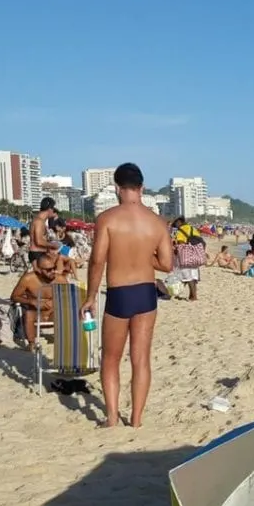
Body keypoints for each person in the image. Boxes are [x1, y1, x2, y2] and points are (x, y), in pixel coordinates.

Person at [81, 162, 173, 428]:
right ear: (142, 188)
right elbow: (167, 265)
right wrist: (147, 257)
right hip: (146, 293)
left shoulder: (108, 219)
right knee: (141, 359)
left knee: (110, 358)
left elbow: (97, 261)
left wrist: (91, 296)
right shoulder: (157, 222)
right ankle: (136, 420)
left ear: (117, 188)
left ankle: (111, 418)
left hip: (119, 294)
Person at [9, 254, 57, 350]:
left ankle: (62, 340)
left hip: (53, 312)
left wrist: (56, 301)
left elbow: (69, 297)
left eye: (54, 268)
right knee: (29, 314)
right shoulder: (28, 279)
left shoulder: (59, 279)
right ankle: (31, 343)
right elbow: (14, 297)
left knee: (65, 313)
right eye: (48, 270)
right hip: (36, 313)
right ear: (38, 270)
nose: (52, 271)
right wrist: (31, 301)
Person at [171, 216, 204, 301]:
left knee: (187, 276)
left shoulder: (181, 230)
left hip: (186, 255)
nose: (176, 226)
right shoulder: (193, 229)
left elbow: (181, 242)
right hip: (196, 254)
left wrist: (175, 249)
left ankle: (193, 296)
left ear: (179, 222)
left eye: (176, 224)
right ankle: (192, 295)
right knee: (193, 275)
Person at [29, 197, 58, 263]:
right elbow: (39, 241)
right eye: (53, 209)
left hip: (39, 253)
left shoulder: (40, 221)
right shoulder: (39, 222)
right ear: (50, 209)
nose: (53, 211)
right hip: (37, 254)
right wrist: (54, 245)